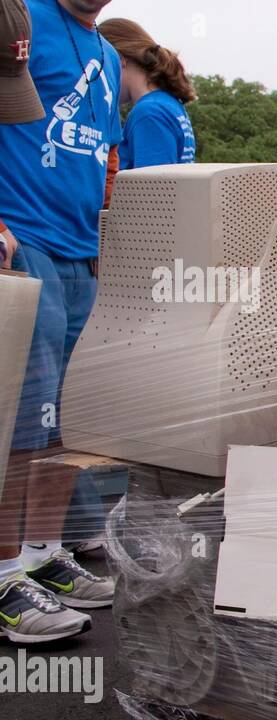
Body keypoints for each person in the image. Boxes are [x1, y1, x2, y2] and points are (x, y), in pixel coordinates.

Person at [0, 0, 118, 643]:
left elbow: (106, 160)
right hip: (26, 242)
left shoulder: (101, 50)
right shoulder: (21, 21)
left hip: (80, 252)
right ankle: (4, 573)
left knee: (61, 421)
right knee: (20, 419)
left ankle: (45, 554)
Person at [97, 17, 196, 169]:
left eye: (101, 68)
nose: (101, 80)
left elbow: (154, 189)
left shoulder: (149, 113)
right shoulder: (168, 104)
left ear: (119, 60)